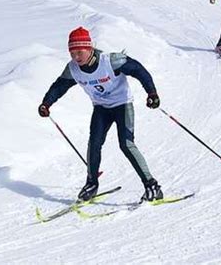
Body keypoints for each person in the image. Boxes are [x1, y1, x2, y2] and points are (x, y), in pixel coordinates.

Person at [38, 27, 163, 202]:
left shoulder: (110, 61)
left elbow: (138, 70)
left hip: (122, 105)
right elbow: (60, 86)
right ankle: (91, 184)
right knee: (94, 144)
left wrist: (152, 93)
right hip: (101, 108)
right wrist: (46, 103)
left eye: (79, 52)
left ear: (89, 48)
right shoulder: (73, 69)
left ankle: (152, 186)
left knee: (126, 144)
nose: (76, 57)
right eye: (72, 53)